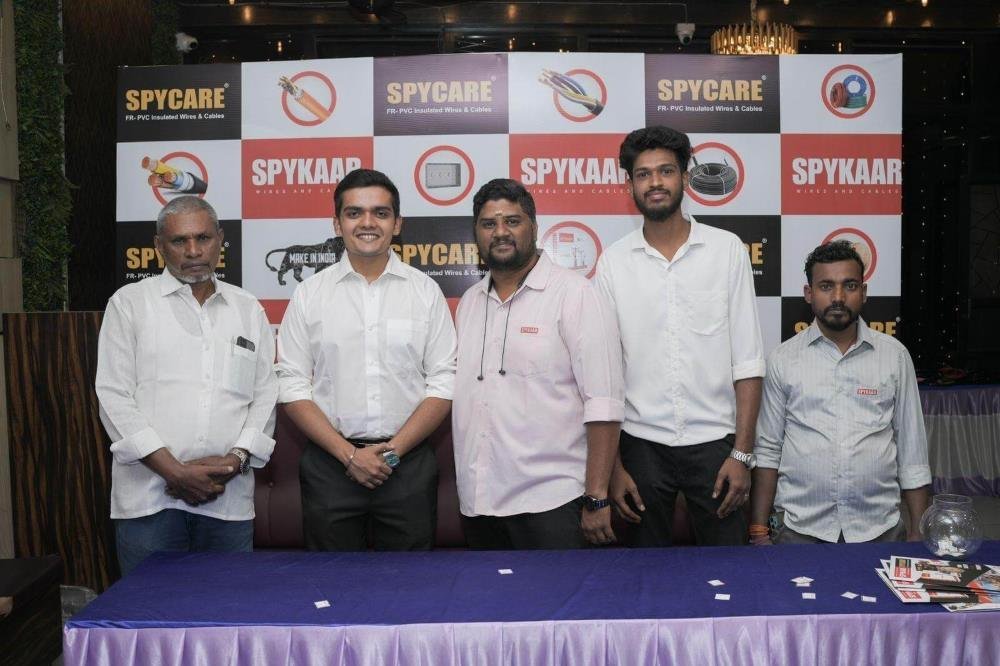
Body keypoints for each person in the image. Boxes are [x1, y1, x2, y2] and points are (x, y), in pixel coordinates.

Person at [595, 126, 765, 547]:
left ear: (685, 178)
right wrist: (613, 468)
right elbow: (604, 374)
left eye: (666, 171)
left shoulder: (726, 251)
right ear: (629, 185)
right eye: (643, 174)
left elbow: (748, 361)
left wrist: (742, 454)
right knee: (642, 575)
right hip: (641, 445)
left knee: (729, 571)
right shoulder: (613, 263)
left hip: (716, 445)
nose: (655, 182)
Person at [96, 196, 278, 576]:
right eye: (179, 241)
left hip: (228, 498)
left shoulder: (247, 308)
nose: (193, 251)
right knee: (150, 610)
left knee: (227, 608)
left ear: (220, 239)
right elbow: (114, 396)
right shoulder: (129, 304)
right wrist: (174, 472)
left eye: (203, 238)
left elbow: (264, 394)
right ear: (159, 245)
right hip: (150, 499)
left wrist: (236, 460)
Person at [275, 168, 456, 551]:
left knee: (410, 583)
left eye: (381, 213)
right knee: (332, 582)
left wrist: (392, 454)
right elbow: (291, 384)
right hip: (330, 467)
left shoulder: (425, 292)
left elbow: (444, 382)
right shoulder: (309, 294)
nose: (368, 223)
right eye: (354, 213)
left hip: (408, 467)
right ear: (337, 224)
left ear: (397, 223)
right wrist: (349, 456)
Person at [452, 178, 624, 549]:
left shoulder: (575, 295)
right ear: (476, 233)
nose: (500, 232)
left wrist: (597, 496)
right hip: (479, 504)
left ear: (533, 226)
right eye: (489, 224)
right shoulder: (469, 303)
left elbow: (604, 402)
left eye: (512, 221)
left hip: (552, 502)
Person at [750, 241, 931, 544]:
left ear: (864, 292)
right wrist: (758, 530)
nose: (838, 297)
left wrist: (917, 531)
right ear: (809, 293)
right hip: (798, 530)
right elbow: (768, 450)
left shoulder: (895, 356)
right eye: (826, 286)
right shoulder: (783, 359)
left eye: (849, 285)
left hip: (880, 530)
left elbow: (912, 451)